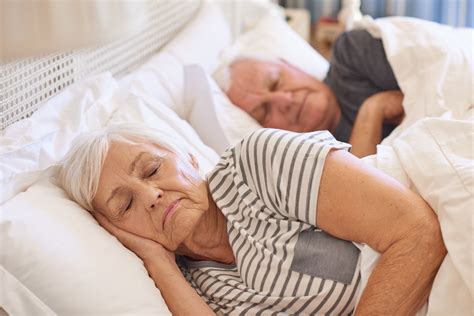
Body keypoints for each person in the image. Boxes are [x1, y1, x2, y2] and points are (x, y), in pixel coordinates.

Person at [58, 123, 445, 315]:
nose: (152, 196)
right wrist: (157, 261)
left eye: (153, 169)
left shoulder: (257, 165)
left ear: (189, 157)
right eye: (125, 206)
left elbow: (417, 232)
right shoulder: (194, 287)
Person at [221, 30, 404, 158]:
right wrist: (373, 110)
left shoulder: (352, 54)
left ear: (290, 65)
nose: (284, 100)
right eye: (264, 111)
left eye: (276, 82)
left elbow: (430, 85)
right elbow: (369, 199)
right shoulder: (313, 170)